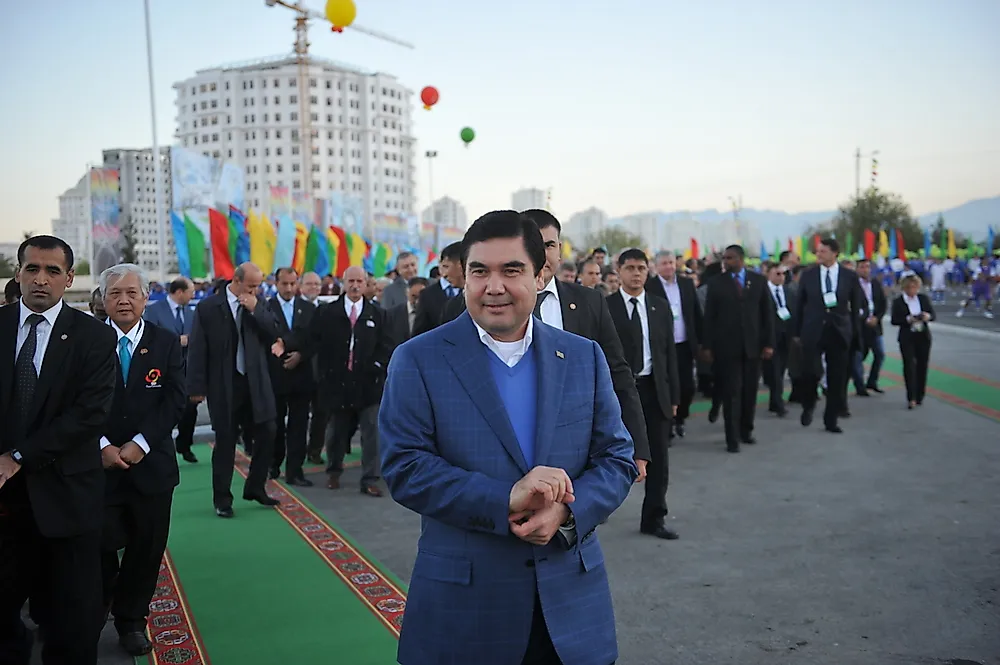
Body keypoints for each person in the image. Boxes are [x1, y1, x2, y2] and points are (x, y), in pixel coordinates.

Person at [380, 211, 636, 665]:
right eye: (479, 270)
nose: (493, 286)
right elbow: (405, 467)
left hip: (570, 613)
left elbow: (617, 457)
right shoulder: (418, 359)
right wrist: (506, 498)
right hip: (464, 612)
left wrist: (567, 511)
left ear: (541, 276)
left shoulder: (582, 356)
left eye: (511, 270)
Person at [0, 235, 117, 665]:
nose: (41, 280)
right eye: (32, 269)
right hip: (5, 506)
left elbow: (88, 416)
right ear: (19, 274)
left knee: (71, 625)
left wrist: (16, 457)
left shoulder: (93, 338)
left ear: (69, 279)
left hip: (67, 502)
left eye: (52, 271)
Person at [96, 264, 185, 657]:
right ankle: (97, 606)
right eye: (115, 293)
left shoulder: (166, 343)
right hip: (96, 465)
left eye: (132, 293)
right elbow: (73, 400)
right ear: (102, 299)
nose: (124, 300)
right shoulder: (87, 341)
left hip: (152, 466)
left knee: (147, 547)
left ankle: (132, 620)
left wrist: (141, 444)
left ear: (146, 297)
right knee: (96, 543)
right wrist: (101, 446)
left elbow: (174, 400)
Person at [187, 262, 285, 517]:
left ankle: (255, 487)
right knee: (226, 442)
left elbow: (274, 333)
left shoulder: (260, 303)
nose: (256, 289)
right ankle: (222, 499)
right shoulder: (209, 307)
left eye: (258, 285)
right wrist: (196, 387)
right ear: (237, 280)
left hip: (256, 383)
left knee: (269, 430)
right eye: (251, 285)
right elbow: (198, 348)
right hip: (224, 385)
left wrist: (256, 311)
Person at [609, 249, 680, 539]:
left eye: (641, 268)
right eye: (630, 268)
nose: (636, 273)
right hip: (620, 392)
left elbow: (669, 355)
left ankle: (654, 517)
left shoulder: (659, 307)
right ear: (619, 270)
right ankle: (595, 511)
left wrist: (674, 396)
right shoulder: (606, 306)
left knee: (659, 459)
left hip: (654, 389)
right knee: (611, 455)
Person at [309, 266, 391, 495]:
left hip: (368, 385)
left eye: (359, 281)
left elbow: (387, 346)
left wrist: (376, 366)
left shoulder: (378, 314)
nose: (355, 285)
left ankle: (370, 479)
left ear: (366, 284)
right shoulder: (328, 312)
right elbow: (314, 342)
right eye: (351, 281)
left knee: (371, 431)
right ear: (343, 283)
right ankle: (333, 471)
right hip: (337, 384)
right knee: (336, 431)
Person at [702, 245, 775, 452]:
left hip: (753, 347)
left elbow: (767, 314)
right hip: (727, 348)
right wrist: (707, 346)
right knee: (731, 393)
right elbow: (709, 317)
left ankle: (746, 430)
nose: (726, 261)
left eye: (731, 258)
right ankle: (731, 438)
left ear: (741, 259)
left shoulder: (758, 281)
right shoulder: (716, 283)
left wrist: (769, 343)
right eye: (724, 258)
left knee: (750, 391)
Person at [792, 238, 863, 433]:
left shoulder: (849, 276)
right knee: (810, 372)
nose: (819, 254)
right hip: (813, 330)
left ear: (834, 253)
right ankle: (808, 404)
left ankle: (830, 419)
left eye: (823, 251)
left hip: (839, 331)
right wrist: (797, 333)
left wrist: (855, 333)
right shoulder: (809, 275)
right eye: (818, 251)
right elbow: (800, 304)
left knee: (837, 377)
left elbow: (855, 307)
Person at [266, 267, 316, 486]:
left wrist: (301, 355)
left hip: (301, 377)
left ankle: (295, 470)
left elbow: (315, 339)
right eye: (284, 284)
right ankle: (273, 464)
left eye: (292, 283)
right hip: (274, 376)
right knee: (274, 424)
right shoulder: (266, 308)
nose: (288, 288)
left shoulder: (309, 308)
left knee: (299, 426)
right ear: (276, 283)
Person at [645, 251, 702, 438]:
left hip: (684, 344)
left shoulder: (686, 284)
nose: (668, 266)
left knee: (687, 386)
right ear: (657, 266)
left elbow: (695, 313)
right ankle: (667, 425)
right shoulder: (650, 286)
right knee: (665, 386)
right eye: (664, 263)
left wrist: (700, 341)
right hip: (661, 346)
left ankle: (681, 417)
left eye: (671, 262)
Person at [143, 276, 199, 463]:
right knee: (162, 410)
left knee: (189, 410)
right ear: (179, 292)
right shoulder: (153, 310)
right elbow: (149, 337)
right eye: (191, 292)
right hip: (160, 370)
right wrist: (177, 341)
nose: (193, 296)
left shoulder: (192, 313)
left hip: (187, 370)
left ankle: (185, 445)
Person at [890, 274, 935, 409]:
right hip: (907, 336)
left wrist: (927, 316)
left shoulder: (923, 299)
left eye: (914, 287)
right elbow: (894, 320)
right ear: (904, 288)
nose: (912, 290)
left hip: (922, 335)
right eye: (909, 287)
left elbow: (933, 315)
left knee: (922, 365)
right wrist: (908, 319)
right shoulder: (898, 301)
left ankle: (920, 394)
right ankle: (911, 397)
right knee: (909, 365)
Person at [412, 242, 464, 336]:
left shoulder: (479, 296)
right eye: (442, 266)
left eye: (447, 267)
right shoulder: (427, 295)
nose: (444, 274)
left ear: (461, 265)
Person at [852, 258, 887, 395]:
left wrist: (877, 318)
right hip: (860, 327)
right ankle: (860, 386)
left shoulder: (875, 283)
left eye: (867, 267)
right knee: (858, 356)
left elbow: (883, 304)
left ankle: (872, 381)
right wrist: (863, 318)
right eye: (862, 267)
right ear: (857, 269)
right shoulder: (853, 285)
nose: (865, 270)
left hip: (875, 326)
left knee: (880, 354)